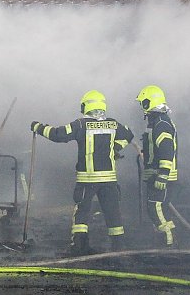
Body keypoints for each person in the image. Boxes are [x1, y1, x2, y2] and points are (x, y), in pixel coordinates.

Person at [31, 90, 134, 254]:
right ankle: (119, 248)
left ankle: (79, 247)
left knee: (82, 214)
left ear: (86, 106)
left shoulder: (80, 124)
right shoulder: (113, 124)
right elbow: (129, 135)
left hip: (87, 179)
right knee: (113, 212)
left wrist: (38, 127)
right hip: (109, 180)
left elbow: (58, 135)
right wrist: (116, 148)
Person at [135, 85, 177, 247]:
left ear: (149, 103)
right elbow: (154, 149)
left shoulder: (161, 123)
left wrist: (163, 174)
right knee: (162, 209)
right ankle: (169, 240)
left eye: (143, 103)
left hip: (163, 175)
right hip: (156, 173)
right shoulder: (157, 122)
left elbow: (166, 149)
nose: (141, 107)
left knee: (154, 208)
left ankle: (168, 244)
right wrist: (149, 169)